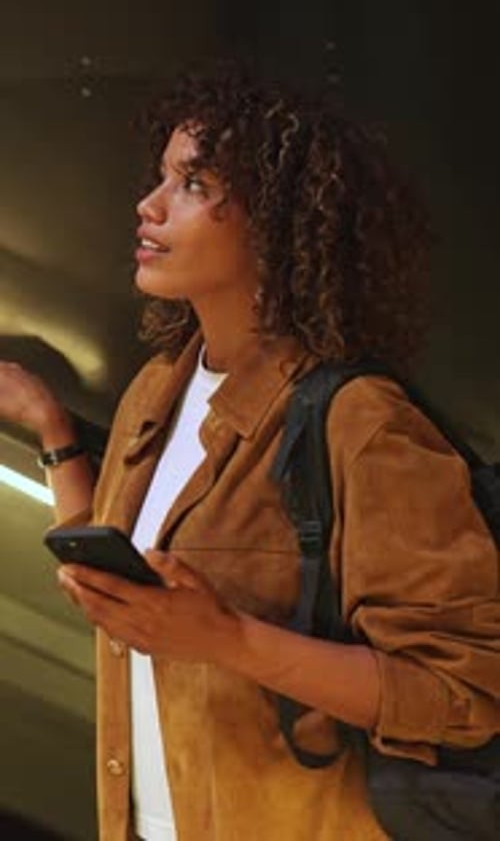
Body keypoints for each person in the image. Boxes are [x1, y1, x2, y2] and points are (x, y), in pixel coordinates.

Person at [0, 63, 499, 841]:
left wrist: (230, 640)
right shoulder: (156, 390)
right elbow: (127, 603)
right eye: (161, 176)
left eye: (194, 185)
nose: (150, 204)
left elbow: (462, 692)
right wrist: (53, 431)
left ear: (277, 220)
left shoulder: (362, 423)